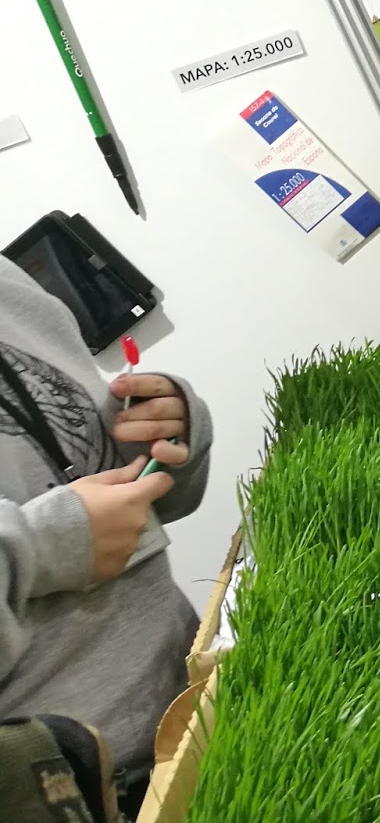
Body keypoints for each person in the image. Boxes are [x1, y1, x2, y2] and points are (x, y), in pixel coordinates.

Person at [0, 255, 211, 818]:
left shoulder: (9, 280)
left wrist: (173, 432)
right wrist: (39, 547)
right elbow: (66, 528)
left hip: (197, 701)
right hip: (83, 800)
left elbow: (132, 504)